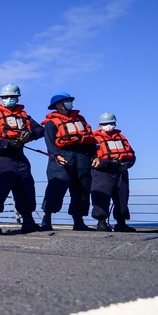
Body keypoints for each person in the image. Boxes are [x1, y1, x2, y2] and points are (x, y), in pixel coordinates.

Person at [0, 83, 45, 234]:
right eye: (6, 97)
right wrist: (6, 143)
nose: (9, 100)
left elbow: (41, 130)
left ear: (17, 98)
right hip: (0, 158)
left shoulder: (24, 116)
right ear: (0, 99)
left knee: (26, 187)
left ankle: (28, 221)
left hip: (20, 158)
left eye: (13, 97)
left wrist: (31, 134)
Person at [39, 92, 97, 231]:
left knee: (82, 190)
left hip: (82, 157)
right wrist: (56, 155)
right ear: (57, 105)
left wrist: (94, 156)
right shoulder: (52, 123)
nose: (70, 102)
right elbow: (50, 142)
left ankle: (79, 221)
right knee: (55, 189)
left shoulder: (81, 120)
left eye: (70, 100)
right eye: (66, 100)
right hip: (62, 158)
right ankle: (47, 219)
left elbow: (89, 139)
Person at [90, 112, 137, 232]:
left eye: (111, 123)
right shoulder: (93, 139)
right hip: (102, 172)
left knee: (122, 197)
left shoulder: (121, 138)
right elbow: (90, 157)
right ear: (99, 125)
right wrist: (106, 163)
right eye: (105, 124)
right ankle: (101, 222)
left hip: (121, 171)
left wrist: (126, 165)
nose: (108, 126)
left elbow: (132, 156)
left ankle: (121, 223)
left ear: (115, 124)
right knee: (101, 196)